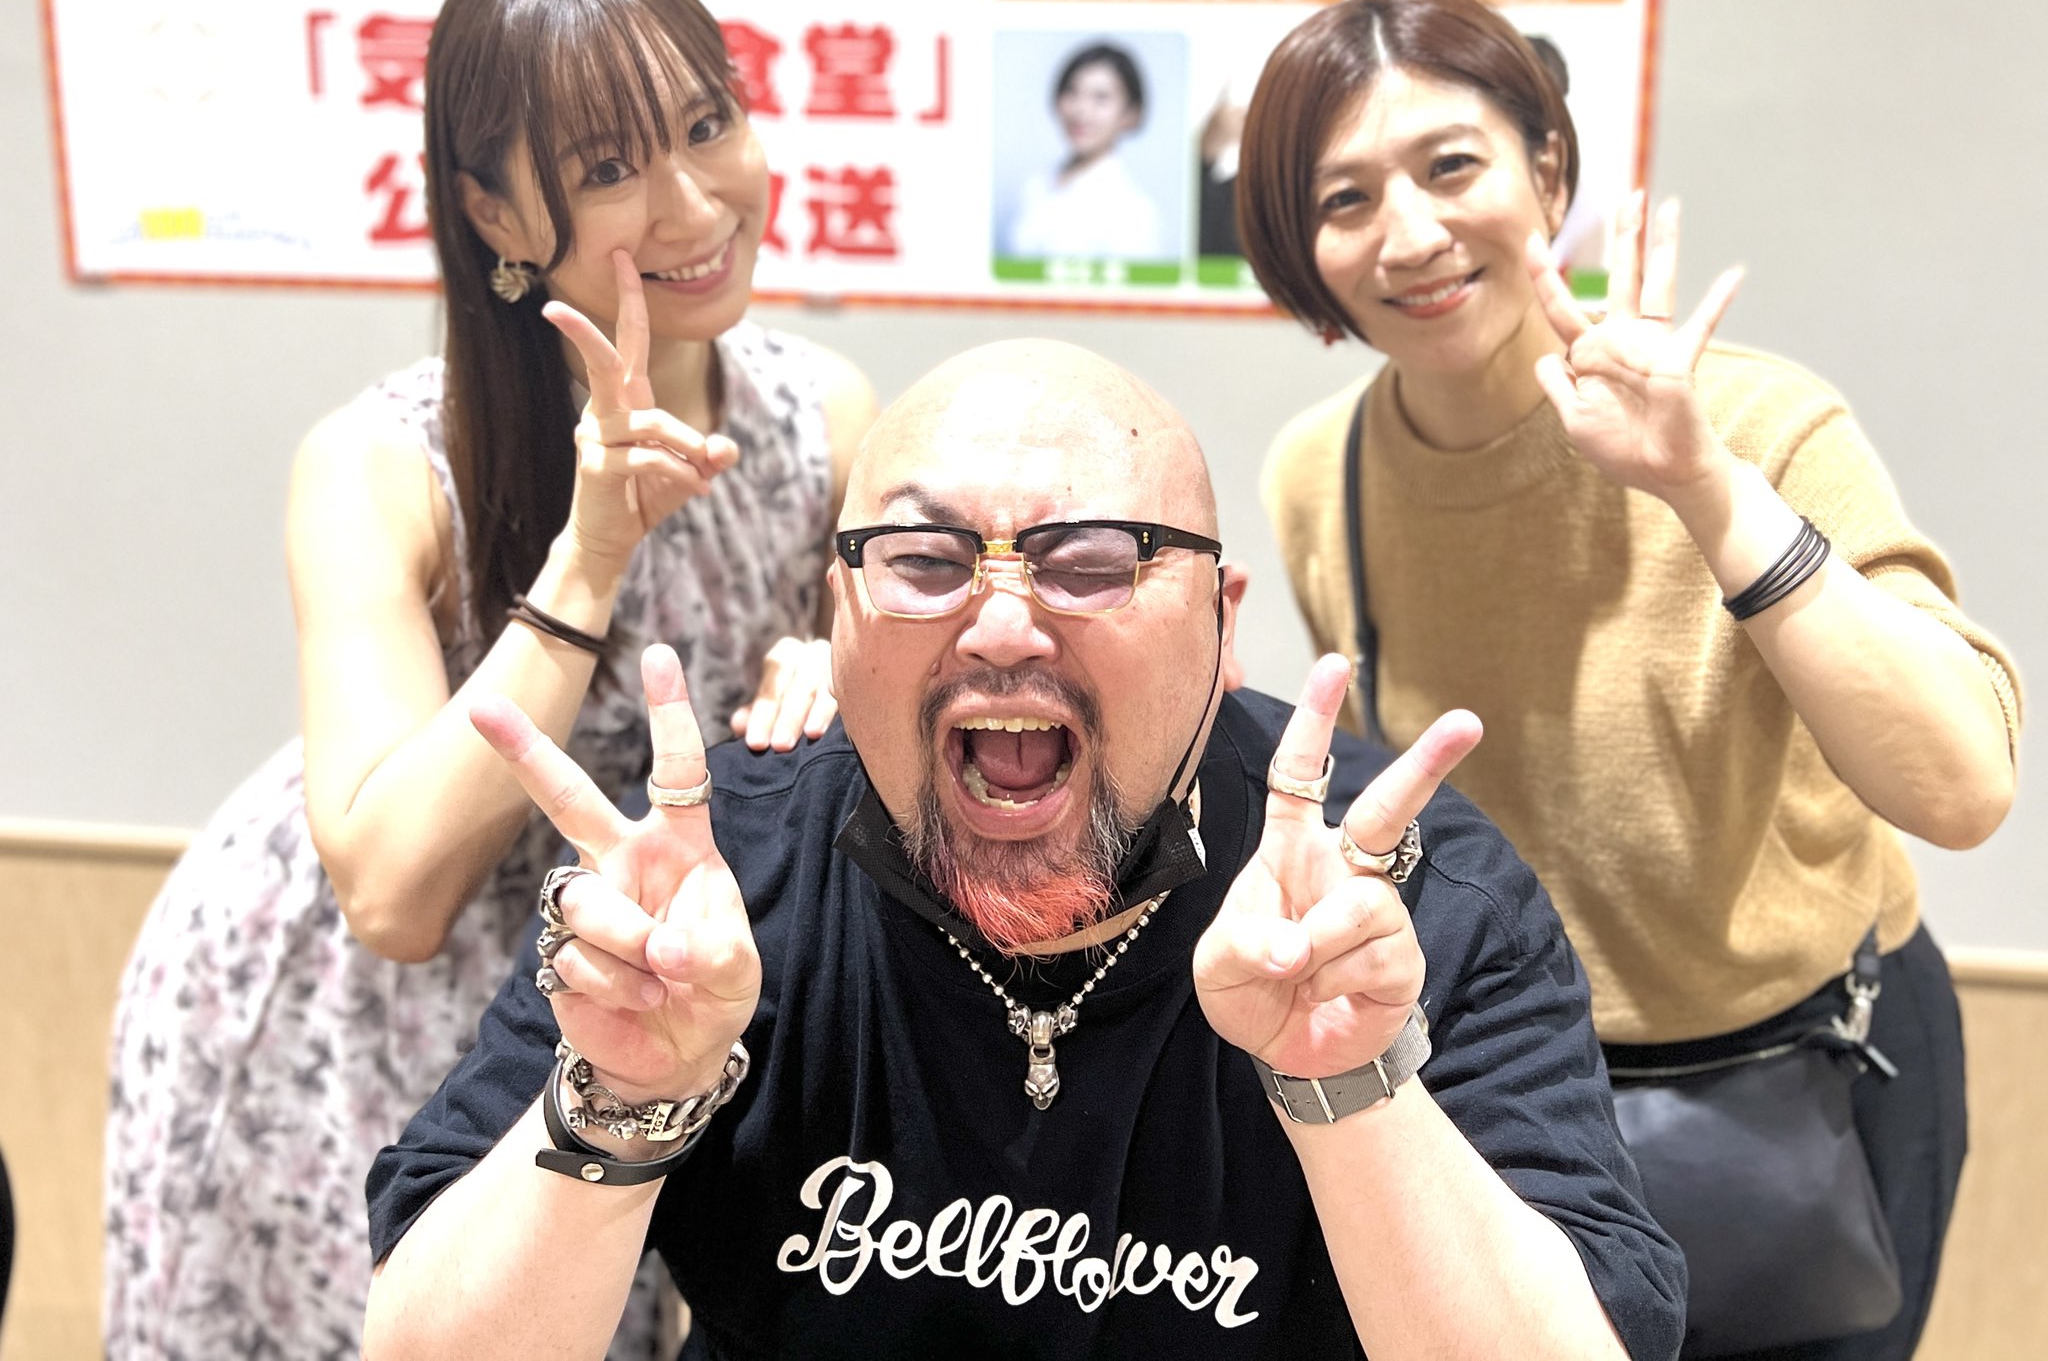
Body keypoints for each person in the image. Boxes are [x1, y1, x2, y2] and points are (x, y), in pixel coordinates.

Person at [362, 339, 1687, 1361]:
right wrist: (624, 1095)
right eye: (924, 561)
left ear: (1223, 625)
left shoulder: (1401, 908)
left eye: (1093, 562)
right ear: (839, 618)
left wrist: (1353, 1086)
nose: (1001, 626)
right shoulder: (713, 893)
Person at [104, 0, 875, 1361]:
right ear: (493, 212)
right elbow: (393, 894)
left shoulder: (824, 417)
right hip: (354, 1032)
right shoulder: (380, 463)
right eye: (608, 167)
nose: (694, 201)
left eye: (708, 122)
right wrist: (592, 550)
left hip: (633, 1007)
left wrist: (845, 673)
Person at [1237, 0, 2022, 1360]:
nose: (1407, 235)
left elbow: (1959, 789)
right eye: (1344, 199)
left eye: (1451, 166)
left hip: (1803, 1074)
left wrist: (1703, 486)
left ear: (1547, 169)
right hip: (1515, 1089)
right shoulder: (1321, 469)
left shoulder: (1754, 422)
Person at [1003, 41, 1174, 263]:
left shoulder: (1134, 213)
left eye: (1101, 98)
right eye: (1072, 92)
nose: (1081, 110)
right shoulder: (1035, 184)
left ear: (1130, 113)